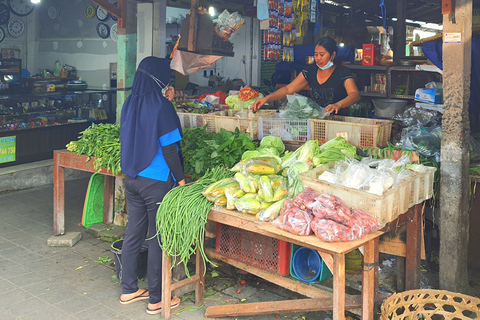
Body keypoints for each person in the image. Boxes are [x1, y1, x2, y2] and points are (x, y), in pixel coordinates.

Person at [119, 56, 183, 315]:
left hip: (131, 179)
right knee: (157, 237)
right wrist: (180, 179)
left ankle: (129, 289)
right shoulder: (162, 106)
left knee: (134, 232)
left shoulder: (128, 104)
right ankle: (156, 298)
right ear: (159, 79)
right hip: (155, 182)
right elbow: (170, 149)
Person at [253, 37, 360, 115]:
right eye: (316, 54)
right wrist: (267, 98)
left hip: (338, 121)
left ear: (333, 55)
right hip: (315, 120)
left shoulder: (342, 72)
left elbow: (354, 94)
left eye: (322, 55)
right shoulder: (310, 70)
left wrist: (338, 105)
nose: (318, 58)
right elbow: (288, 89)